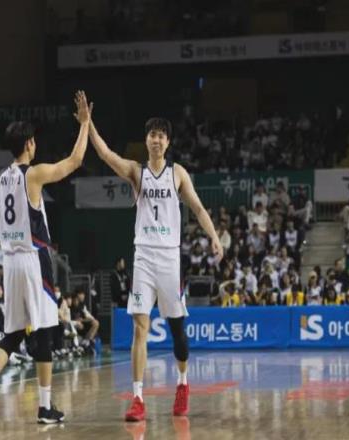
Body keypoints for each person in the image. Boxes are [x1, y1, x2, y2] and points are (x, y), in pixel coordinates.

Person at [89, 113, 223, 421]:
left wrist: (214, 236)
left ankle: (182, 383)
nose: (157, 139)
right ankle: (137, 398)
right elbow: (105, 154)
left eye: (162, 135)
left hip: (169, 259)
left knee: (177, 330)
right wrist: (88, 124)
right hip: (144, 258)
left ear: (168, 142)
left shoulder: (178, 173)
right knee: (140, 326)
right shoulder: (137, 172)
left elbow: (198, 208)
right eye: (152, 134)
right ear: (146, 140)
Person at [0, 90, 91, 427]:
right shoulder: (34, 174)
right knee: (43, 334)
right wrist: (84, 124)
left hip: (9, 262)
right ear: (28, 144)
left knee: (13, 332)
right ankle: (44, 407)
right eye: (34, 140)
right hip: (32, 259)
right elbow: (75, 161)